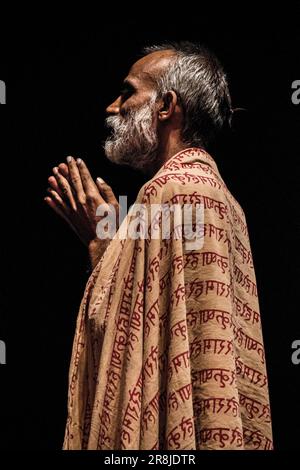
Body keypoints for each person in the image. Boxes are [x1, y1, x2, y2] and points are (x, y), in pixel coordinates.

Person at [45, 42, 273, 450]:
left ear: (166, 105)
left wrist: (100, 243)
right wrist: (113, 241)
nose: (112, 107)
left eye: (128, 92)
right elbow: (150, 318)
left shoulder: (170, 191)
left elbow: (121, 340)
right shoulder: (226, 201)